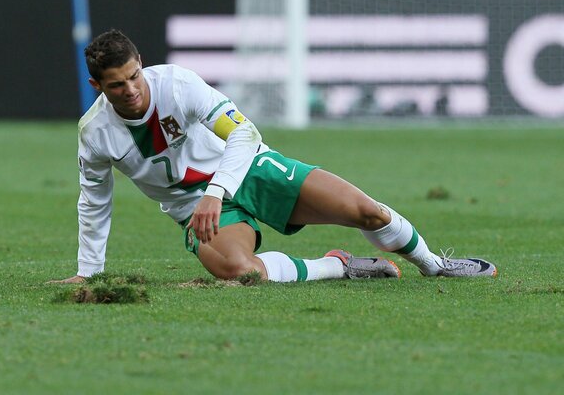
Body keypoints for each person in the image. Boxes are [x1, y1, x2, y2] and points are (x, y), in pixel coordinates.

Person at [50, 29, 497, 285]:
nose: (130, 90)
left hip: (248, 170)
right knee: (240, 273)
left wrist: (217, 189)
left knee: (364, 211)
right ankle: (337, 266)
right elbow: (94, 203)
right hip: (195, 209)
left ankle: (435, 265)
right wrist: (89, 274)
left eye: (134, 77)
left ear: (141, 63)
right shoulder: (95, 134)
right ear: (97, 87)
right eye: (116, 85)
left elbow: (243, 132)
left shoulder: (178, 84)